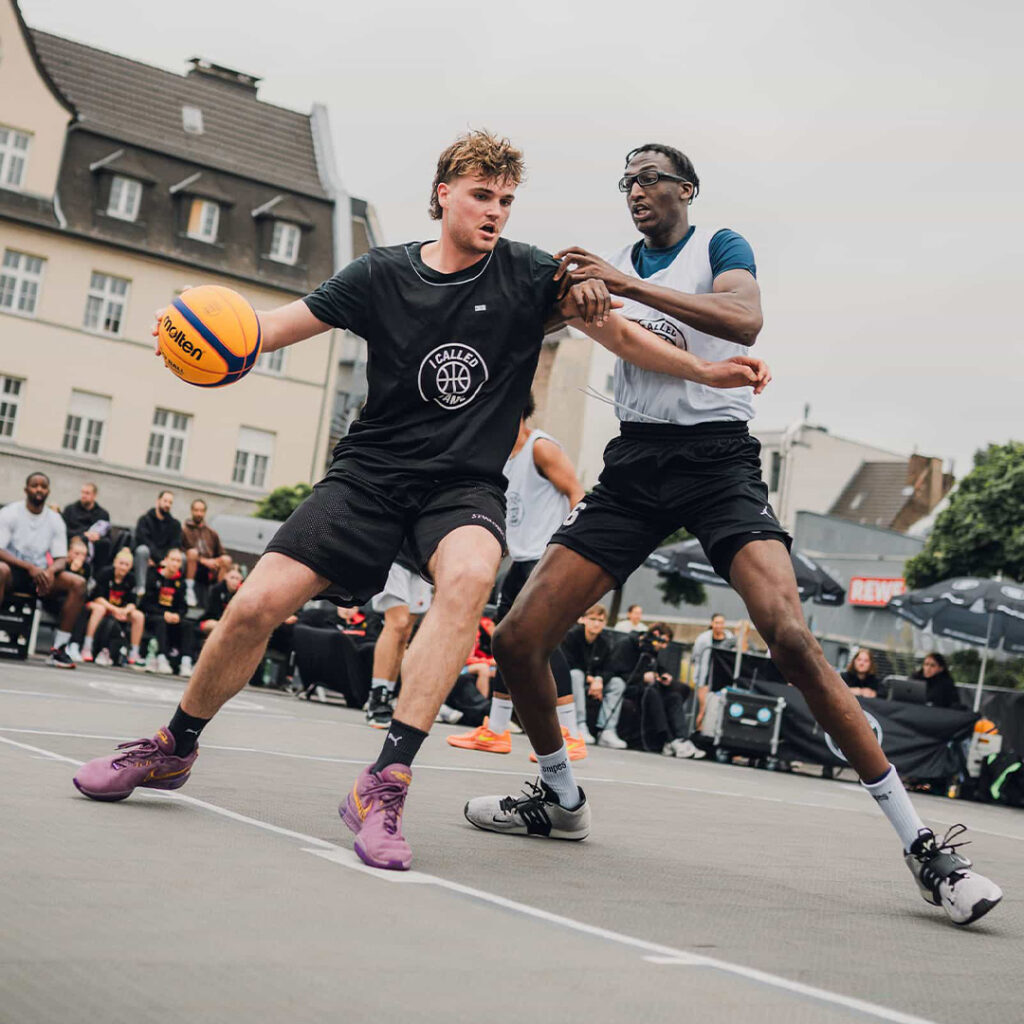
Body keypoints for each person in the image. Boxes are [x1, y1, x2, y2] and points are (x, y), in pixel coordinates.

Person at [73, 129, 769, 873]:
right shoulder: (381, 274)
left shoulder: (531, 274)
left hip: (462, 485)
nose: (495, 211)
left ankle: (385, 785)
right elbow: (271, 328)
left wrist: (713, 373)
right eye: (480, 196)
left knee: (470, 577)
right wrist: (191, 327)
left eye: (505, 200)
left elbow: (622, 337)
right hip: (370, 474)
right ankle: (173, 747)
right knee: (254, 604)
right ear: (443, 194)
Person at [465, 141, 1001, 925]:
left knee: (788, 632)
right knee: (516, 639)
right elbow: (615, 335)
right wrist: (579, 297)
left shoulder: (719, 247)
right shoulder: (610, 262)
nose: (636, 191)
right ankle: (560, 795)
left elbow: (745, 320)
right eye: (627, 181)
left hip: (719, 463)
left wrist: (626, 285)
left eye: (650, 177)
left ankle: (925, 848)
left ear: (686, 188)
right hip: (637, 463)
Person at [448, 394, 586, 758]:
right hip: (522, 561)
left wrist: (570, 551)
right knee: (504, 642)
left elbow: (577, 493)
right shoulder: (500, 457)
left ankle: (571, 732)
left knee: (542, 643)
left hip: (547, 558)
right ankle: (495, 730)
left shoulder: (541, 448)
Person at [0, 472, 86, 668]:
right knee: (0, 570)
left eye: (43, 486)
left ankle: (59, 649)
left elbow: (61, 558)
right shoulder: (10, 513)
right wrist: (30, 567)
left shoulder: (55, 519)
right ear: (26, 489)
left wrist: (49, 572)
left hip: (41, 576)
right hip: (14, 572)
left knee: (78, 583)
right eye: (34, 485)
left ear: (48, 491)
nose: (39, 489)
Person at [364, 557, 433, 729]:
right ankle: (377, 696)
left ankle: (388, 695)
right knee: (397, 622)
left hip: (421, 563)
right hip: (395, 556)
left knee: (405, 632)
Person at [560, 604, 614, 742]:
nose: (596, 623)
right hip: (572, 681)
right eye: (593, 619)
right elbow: (569, 662)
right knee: (576, 675)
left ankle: (607, 730)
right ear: (583, 619)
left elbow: (609, 667)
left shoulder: (605, 642)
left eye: (601, 620)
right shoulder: (572, 636)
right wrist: (591, 679)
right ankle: (578, 725)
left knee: (617, 683)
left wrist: (599, 680)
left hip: (594, 684)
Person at [82, 547, 145, 666]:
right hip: (99, 606)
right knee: (100, 609)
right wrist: (115, 609)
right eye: (121, 563)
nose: (123, 567)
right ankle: (87, 646)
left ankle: (134, 653)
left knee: (138, 616)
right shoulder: (105, 573)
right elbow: (98, 597)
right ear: (115, 562)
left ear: (130, 566)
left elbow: (132, 602)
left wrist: (125, 611)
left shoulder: (131, 578)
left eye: (126, 564)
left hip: (119, 611)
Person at [139, 547, 194, 676]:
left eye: (178, 561)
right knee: (160, 621)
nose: (175, 564)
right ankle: (161, 658)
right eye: (173, 560)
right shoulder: (153, 575)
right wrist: (163, 613)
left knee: (188, 625)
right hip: (154, 615)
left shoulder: (180, 582)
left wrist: (178, 615)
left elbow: (183, 606)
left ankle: (186, 661)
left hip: (172, 616)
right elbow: (145, 603)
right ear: (165, 560)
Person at [182, 498, 232, 609]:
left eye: (201, 510)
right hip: (193, 565)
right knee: (192, 553)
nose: (199, 513)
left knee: (226, 560)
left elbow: (221, 552)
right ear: (191, 511)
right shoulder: (184, 530)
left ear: (205, 512)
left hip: (211, 567)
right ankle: (189, 589)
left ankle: (220, 594)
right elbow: (182, 551)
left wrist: (215, 561)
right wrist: (204, 561)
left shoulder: (211, 533)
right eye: (196, 510)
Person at [133, 490, 182, 599]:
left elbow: (175, 544)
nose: (167, 505)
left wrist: (165, 560)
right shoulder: (144, 520)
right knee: (142, 550)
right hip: (149, 557)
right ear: (158, 501)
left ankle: (177, 592)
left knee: (180, 557)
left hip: (165, 559)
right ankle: (140, 587)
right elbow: (143, 539)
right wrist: (158, 559)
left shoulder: (175, 524)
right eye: (165, 501)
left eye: (170, 502)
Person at [61, 482, 111, 568]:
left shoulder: (102, 514)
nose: (84, 495)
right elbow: (63, 529)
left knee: (104, 543)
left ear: (94, 495)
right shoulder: (70, 509)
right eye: (82, 492)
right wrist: (83, 534)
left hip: (94, 544)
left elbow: (107, 534)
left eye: (87, 493)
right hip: (74, 539)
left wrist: (97, 536)